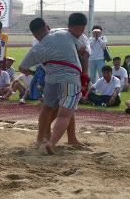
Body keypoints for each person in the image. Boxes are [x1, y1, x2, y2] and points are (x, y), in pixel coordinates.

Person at [19, 13, 90, 154]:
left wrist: (35, 72)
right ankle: (51, 143)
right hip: (70, 78)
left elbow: (22, 68)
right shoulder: (65, 34)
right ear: (47, 27)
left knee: (47, 109)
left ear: (34, 35)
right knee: (65, 113)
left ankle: (41, 138)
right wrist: (85, 74)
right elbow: (83, 52)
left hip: (51, 80)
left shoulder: (36, 49)